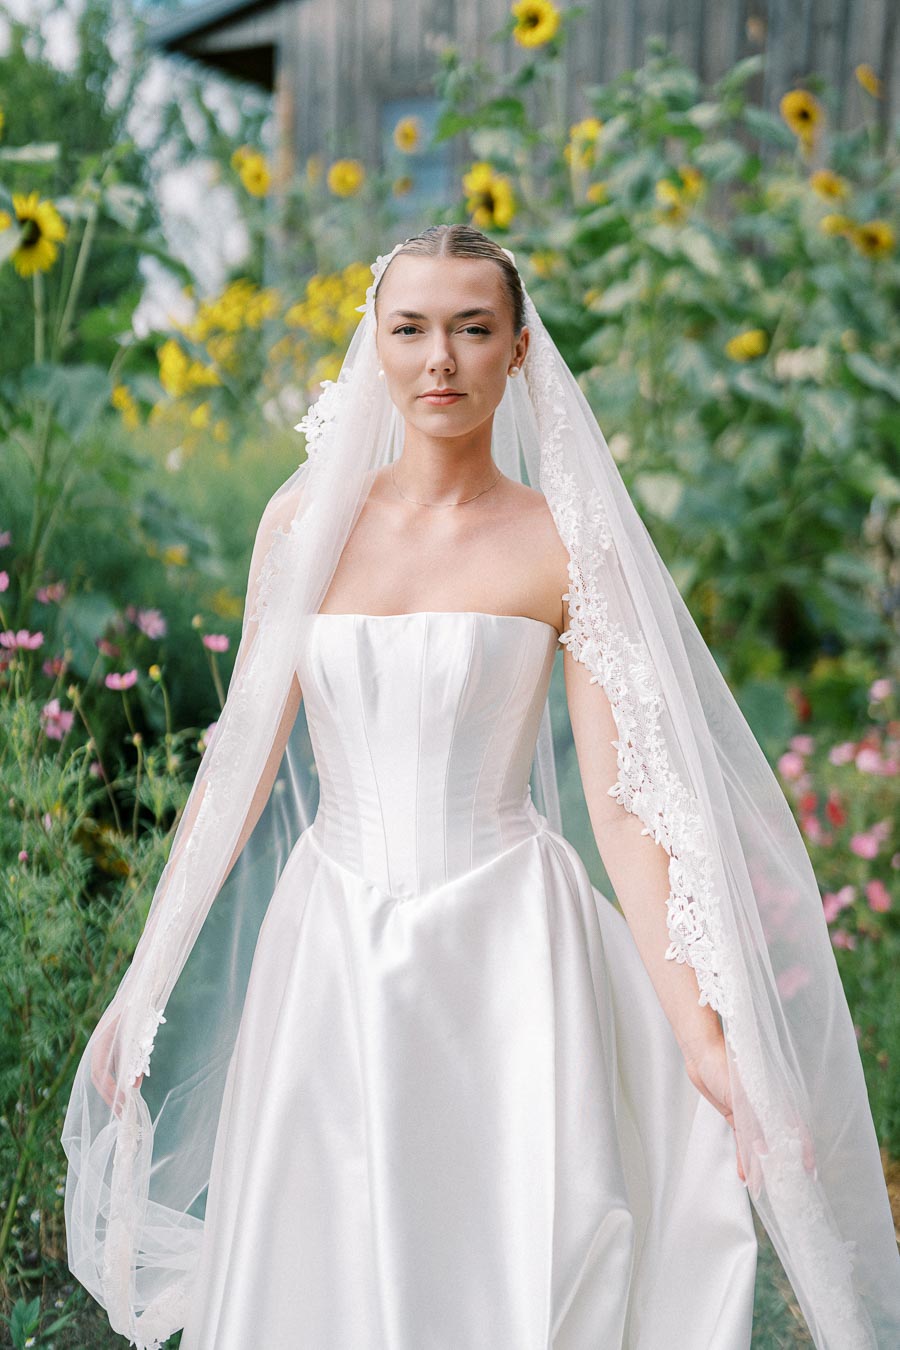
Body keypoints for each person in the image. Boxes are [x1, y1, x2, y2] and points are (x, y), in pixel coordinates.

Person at [62, 225, 900, 1350]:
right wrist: (145, 977)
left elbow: (619, 804)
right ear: (376, 345)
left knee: (507, 1261)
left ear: (517, 352)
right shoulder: (303, 526)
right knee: (330, 1262)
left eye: (471, 328)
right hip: (331, 952)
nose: (440, 358)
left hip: (511, 954)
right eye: (410, 328)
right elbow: (240, 768)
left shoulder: (564, 542)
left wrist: (708, 1038)